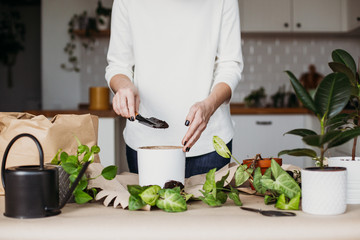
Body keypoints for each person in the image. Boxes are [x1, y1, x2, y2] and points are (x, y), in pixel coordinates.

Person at [105, 0, 244, 178]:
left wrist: (209, 105)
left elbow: (230, 65)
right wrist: (124, 87)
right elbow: (118, 65)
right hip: (146, 142)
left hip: (209, 144)